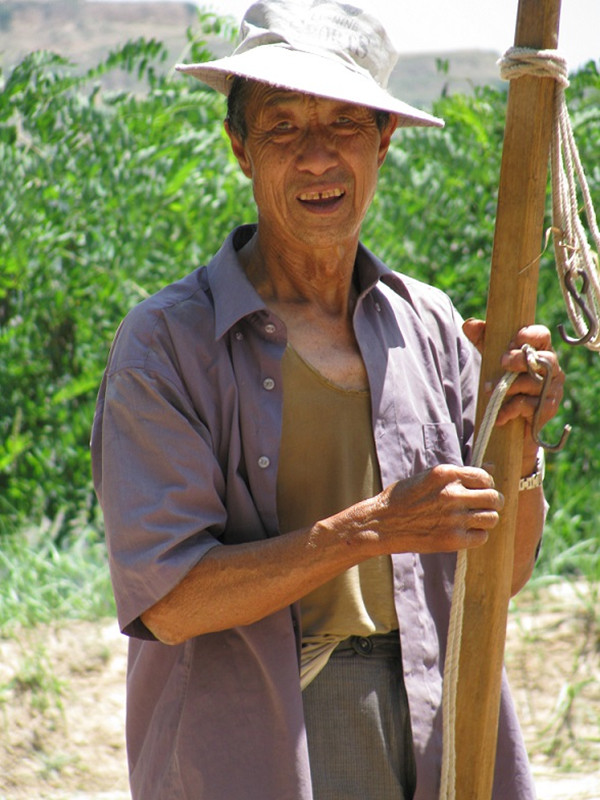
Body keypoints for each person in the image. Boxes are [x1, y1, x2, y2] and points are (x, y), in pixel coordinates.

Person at [91, 2, 565, 799]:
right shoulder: (167, 345)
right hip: (257, 737)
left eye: (344, 123)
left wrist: (521, 437)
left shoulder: (431, 326)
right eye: (283, 127)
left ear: (384, 141)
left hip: (433, 712)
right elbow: (168, 602)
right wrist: (375, 527)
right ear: (240, 148)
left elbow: (500, 573)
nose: (317, 157)